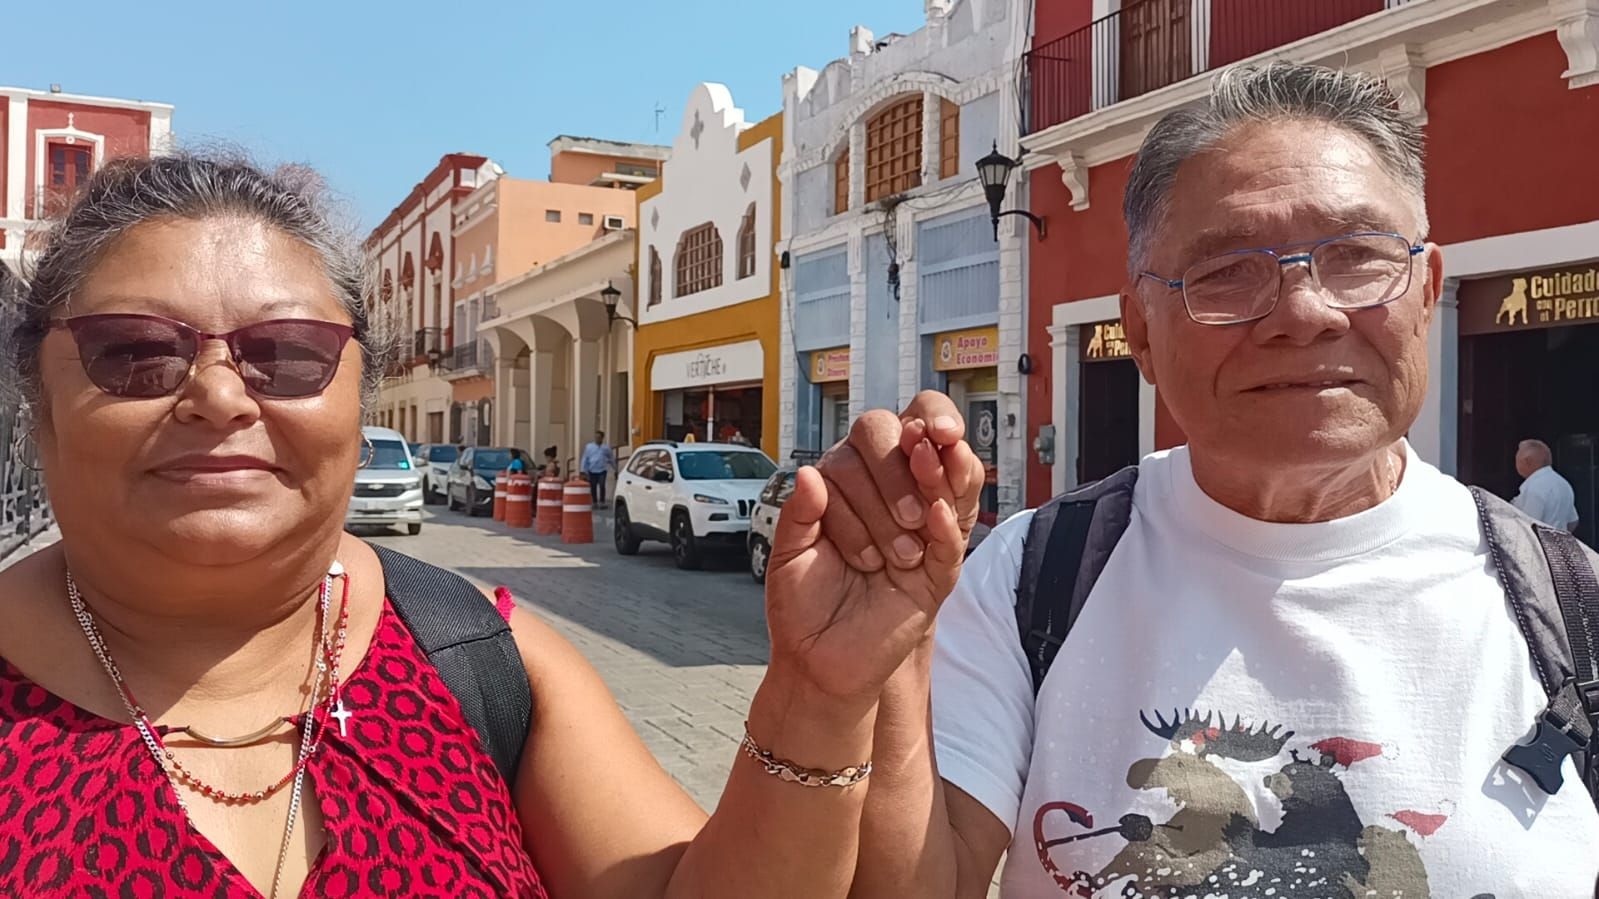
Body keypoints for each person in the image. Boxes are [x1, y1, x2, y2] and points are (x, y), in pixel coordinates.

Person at [0, 152, 978, 898]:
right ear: (36, 393)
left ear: (357, 392)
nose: (217, 395)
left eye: (284, 353)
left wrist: (818, 693)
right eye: (134, 352)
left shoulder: (480, 654)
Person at [819, 62, 1599, 897]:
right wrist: (888, 660)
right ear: (1140, 334)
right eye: (1226, 272)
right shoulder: (1030, 577)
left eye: (1357, 257)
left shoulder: (1567, 606)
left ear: (1425, 290)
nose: (1304, 313)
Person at [1514, 438, 1579, 533]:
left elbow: (1528, 527)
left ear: (1527, 461)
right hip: (1558, 545)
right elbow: (1572, 522)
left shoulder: (1534, 487)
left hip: (1537, 546)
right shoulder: (1563, 483)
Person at [580, 430, 615, 506]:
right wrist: (583, 470)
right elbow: (585, 458)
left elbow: (611, 458)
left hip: (602, 470)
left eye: (599, 437)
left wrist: (615, 469)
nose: (597, 439)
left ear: (602, 438)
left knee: (602, 485)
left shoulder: (606, 448)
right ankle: (595, 501)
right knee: (593, 486)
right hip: (592, 470)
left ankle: (602, 501)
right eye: (596, 437)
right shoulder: (589, 447)